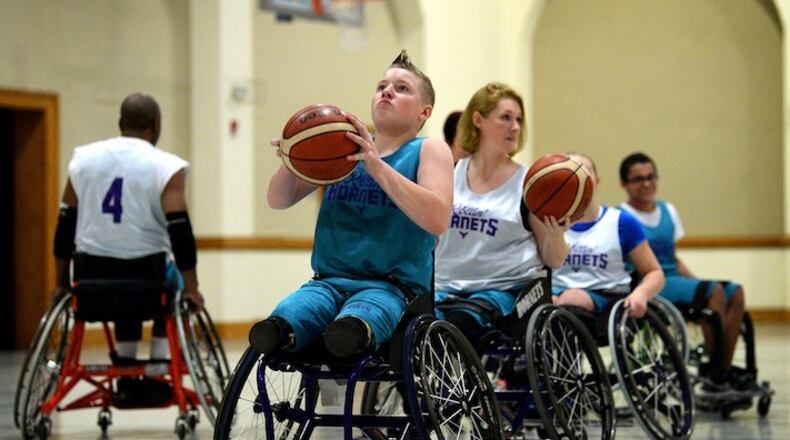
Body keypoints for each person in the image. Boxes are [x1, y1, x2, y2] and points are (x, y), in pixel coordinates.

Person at [249, 50, 454, 358]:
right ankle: (327, 401)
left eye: (402, 88)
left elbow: (437, 219)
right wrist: (290, 159)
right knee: (275, 328)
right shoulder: (342, 147)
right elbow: (278, 200)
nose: (387, 91)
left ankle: (335, 391)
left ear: (424, 113)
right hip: (326, 284)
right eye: (382, 85)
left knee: (348, 334)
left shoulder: (430, 149)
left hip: (389, 288)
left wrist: (377, 167)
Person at [52, 93, 203, 399]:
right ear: (156, 124)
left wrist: (61, 284)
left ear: (120, 123)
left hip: (90, 280)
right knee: (168, 285)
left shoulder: (83, 159)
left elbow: (65, 226)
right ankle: (159, 370)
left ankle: (125, 370)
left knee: (121, 290)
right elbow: (180, 231)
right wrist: (192, 288)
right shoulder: (167, 166)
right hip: (149, 278)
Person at [433, 82, 569, 344]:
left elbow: (554, 260)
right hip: (445, 289)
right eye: (506, 117)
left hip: (503, 291)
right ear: (478, 120)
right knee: (412, 328)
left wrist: (556, 235)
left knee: (457, 327)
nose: (515, 126)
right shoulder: (451, 173)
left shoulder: (529, 183)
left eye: (518, 119)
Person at [618, 152, 746, 384]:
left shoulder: (668, 211)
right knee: (713, 292)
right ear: (624, 184)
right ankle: (718, 373)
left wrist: (699, 283)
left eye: (651, 177)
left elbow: (673, 258)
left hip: (674, 279)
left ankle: (722, 367)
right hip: (648, 283)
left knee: (734, 292)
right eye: (638, 179)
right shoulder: (622, 217)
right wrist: (708, 290)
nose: (647, 183)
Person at [552, 153, 664, 318]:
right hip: (556, 294)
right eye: (571, 172)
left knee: (572, 298)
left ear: (597, 181)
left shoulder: (621, 222)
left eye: (585, 171)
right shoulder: (549, 222)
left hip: (605, 298)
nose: (579, 177)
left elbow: (654, 272)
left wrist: (641, 293)